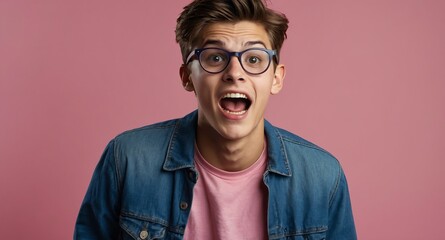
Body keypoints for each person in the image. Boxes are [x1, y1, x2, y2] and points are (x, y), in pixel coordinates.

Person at [74, 0, 357, 239]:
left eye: (255, 59)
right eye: (215, 57)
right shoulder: (127, 161)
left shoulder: (323, 179)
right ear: (187, 77)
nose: (235, 72)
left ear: (277, 77)